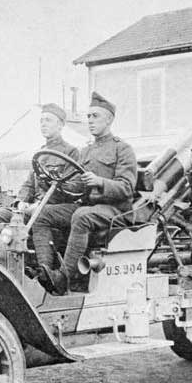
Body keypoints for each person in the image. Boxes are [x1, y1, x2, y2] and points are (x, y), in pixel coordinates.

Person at [33, 92, 137, 295]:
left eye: (95, 116)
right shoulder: (86, 151)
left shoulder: (122, 149)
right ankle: (45, 271)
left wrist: (100, 182)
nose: (90, 121)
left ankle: (64, 277)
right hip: (88, 207)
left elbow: (127, 188)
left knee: (81, 216)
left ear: (109, 119)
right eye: (88, 116)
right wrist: (59, 183)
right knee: (42, 214)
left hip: (116, 211)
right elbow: (75, 185)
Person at [0, 103, 79, 224]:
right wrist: (21, 202)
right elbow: (29, 184)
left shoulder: (70, 152)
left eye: (48, 120)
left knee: (38, 214)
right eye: (41, 121)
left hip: (53, 209)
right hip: (33, 208)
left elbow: (72, 189)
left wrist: (39, 205)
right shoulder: (39, 154)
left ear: (60, 125)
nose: (43, 124)